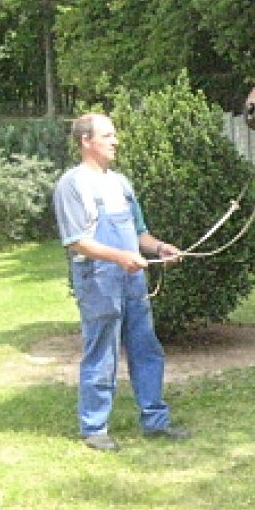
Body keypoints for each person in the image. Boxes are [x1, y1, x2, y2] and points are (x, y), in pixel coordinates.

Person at [53, 112, 190, 451]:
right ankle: (94, 427)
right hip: (98, 279)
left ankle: (155, 421)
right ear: (86, 141)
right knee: (101, 352)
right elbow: (76, 241)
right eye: (108, 136)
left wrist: (159, 248)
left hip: (132, 279)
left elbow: (140, 233)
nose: (116, 141)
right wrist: (120, 257)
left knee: (146, 348)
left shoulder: (121, 183)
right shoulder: (72, 184)